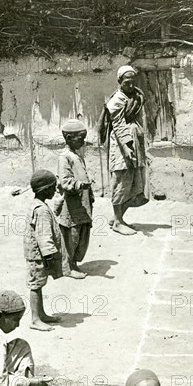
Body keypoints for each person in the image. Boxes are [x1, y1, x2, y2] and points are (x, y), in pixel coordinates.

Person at [102, 65, 150, 235]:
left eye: (133, 82)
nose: (130, 85)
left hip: (135, 145)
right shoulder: (116, 101)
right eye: (127, 82)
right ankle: (117, 222)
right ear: (120, 82)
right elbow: (119, 125)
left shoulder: (136, 97)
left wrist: (141, 147)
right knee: (121, 181)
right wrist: (126, 146)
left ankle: (117, 218)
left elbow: (138, 121)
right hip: (122, 147)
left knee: (135, 182)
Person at [24, 169, 63, 331]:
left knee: (40, 284)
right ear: (45, 189)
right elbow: (44, 235)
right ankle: (35, 319)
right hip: (39, 255)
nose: (54, 190)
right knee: (36, 285)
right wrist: (49, 256)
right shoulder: (41, 210)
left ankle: (41, 314)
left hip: (36, 254)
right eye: (53, 187)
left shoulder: (37, 205)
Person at [54, 119, 94, 279]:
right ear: (69, 138)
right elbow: (65, 181)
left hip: (81, 205)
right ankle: (68, 267)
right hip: (71, 206)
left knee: (80, 236)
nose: (83, 141)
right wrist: (80, 185)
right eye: (80, 138)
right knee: (71, 237)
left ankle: (73, 264)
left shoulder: (76, 155)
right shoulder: (64, 157)